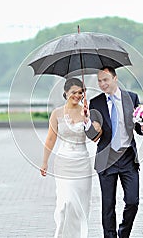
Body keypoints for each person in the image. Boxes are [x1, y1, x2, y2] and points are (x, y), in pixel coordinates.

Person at [84, 66, 143, 238]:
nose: (102, 84)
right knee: (108, 205)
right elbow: (93, 136)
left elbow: (138, 127)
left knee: (133, 202)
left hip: (128, 158)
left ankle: (123, 232)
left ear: (115, 78)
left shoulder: (131, 98)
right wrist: (86, 122)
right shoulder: (95, 103)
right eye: (99, 81)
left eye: (105, 80)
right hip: (107, 159)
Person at [40, 78, 101, 238]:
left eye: (80, 92)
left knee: (79, 204)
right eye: (74, 92)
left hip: (82, 163)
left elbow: (95, 137)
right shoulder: (57, 114)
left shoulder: (87, 112)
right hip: (63, 163)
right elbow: (50, 139)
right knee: (65, 202)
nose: (77, 95)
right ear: (66, 93)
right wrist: (45, 162)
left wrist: (90, 120)